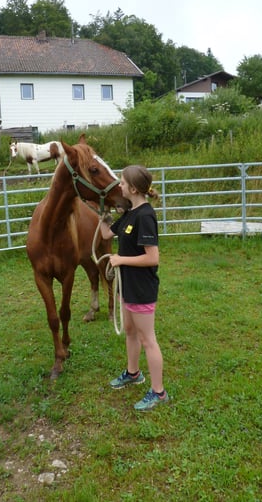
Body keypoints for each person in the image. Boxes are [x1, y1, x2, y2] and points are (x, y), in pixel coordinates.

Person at [99, 165, 169, 411]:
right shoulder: (129, 213)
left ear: (133, 188)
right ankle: (133, 373)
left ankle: (159, 392)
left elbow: (153, 258)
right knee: (130, 330)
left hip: (141, 288)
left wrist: (120, 260)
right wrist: (103, 213)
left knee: (147, 339)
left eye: (122, 182)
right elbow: (107, 234)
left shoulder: (145, 216)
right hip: (126, 286)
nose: (119, 185)